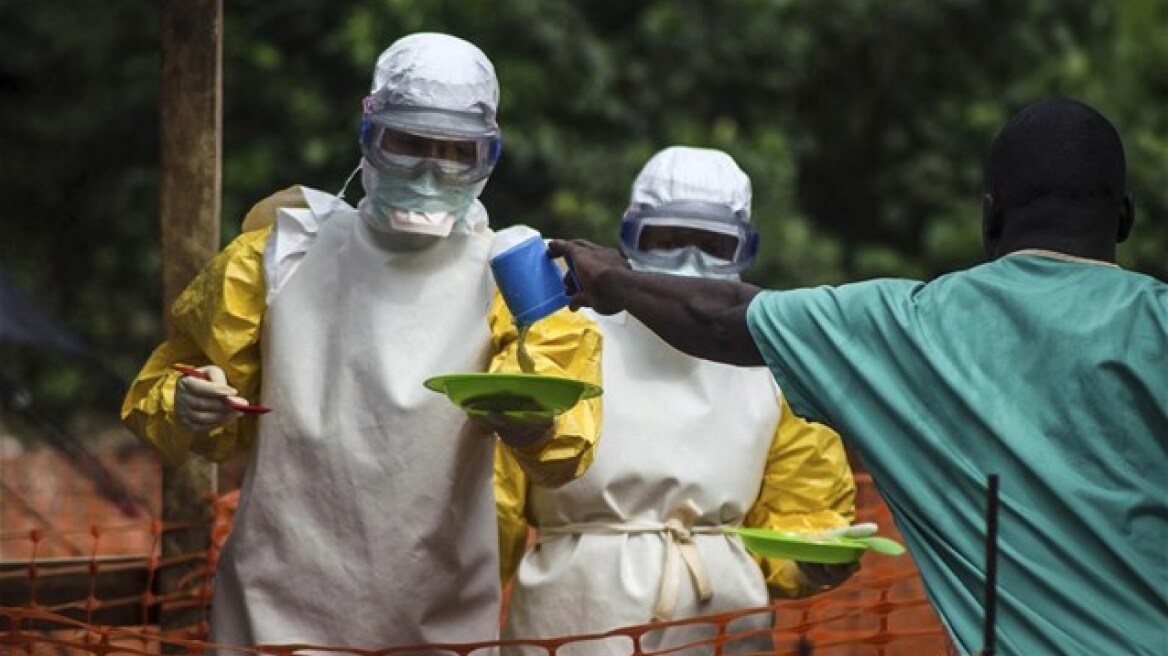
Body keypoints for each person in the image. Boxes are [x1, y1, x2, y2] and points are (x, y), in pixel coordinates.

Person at [547, 99, 1166, 656]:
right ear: (1125, 217)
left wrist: (609, 278)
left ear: (990, 217)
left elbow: (724, 319)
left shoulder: (907, 327)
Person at [121, 33, 602, 651]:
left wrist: (536, 424)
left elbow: (566, 451)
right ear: (369, 135)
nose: (429, 171)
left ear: (488, 156)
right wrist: (185, 399)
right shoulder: (279, 254)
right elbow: (174, 396)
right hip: (276, 606)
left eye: (455, 152)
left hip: (437, 615)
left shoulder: (513, 275)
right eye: (408, 144)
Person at [496, 147, 858, 655]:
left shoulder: (771, 366)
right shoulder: (571, 333)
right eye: (666, 240)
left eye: (713, 244)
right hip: (576, 616)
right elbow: (496, 503)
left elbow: (804, 506)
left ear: (744, 249)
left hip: (723, 620)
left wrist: (815, 557)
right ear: (629, 237)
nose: (689, 261)